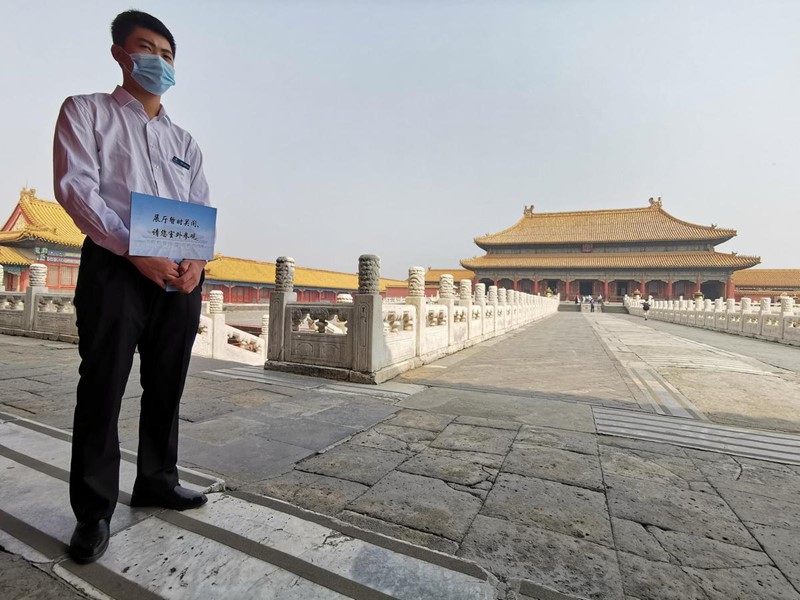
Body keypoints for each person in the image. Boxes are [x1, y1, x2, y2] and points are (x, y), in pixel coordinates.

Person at [53, 10, 211, 564]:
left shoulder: (184, 142)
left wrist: (196, 262)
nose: (158, 62)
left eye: (167, 56)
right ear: (120, 52)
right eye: (147, 49)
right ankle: (93, 512)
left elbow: (197, 210)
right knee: (103, 386)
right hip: (116, 269)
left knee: (167, 382)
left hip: (178, 278)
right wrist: (131, 248)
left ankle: (157, 481)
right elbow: (77, 190)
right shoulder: (86, 112)